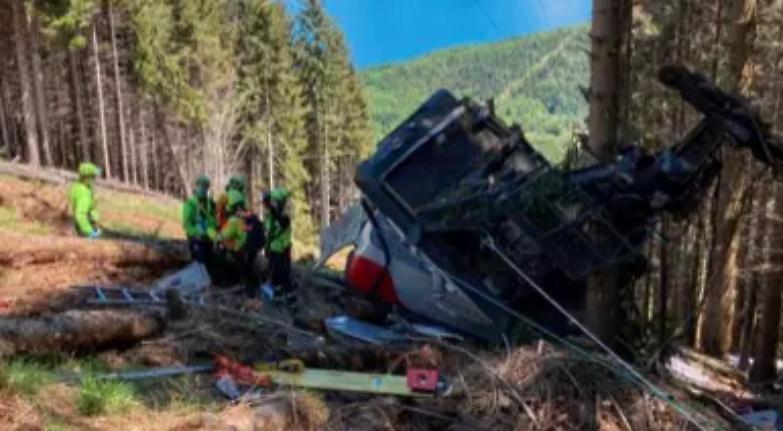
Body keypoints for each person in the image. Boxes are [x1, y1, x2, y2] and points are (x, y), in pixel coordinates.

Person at [262, 187, 293, 302]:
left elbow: (280, 222)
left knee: (284, 275)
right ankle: (278, 295)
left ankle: (290, 299)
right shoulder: (271, 216)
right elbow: (268, 230)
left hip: (282, 249)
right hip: (273, 249)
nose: (272, 204)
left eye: (274, 202)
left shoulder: (284, 216)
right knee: (275, 275)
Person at [182, 175, 217, 264]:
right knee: (199, 264)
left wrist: (213, 230)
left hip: (209, 240)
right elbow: (186, 224)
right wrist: (197, 232)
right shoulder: (190, 203)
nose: (202, 189)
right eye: (200, 186)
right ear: (196, 187)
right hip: (196, 240)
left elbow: (215, 219)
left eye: (205, 186)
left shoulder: (211, 203)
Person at [69, 162, 101, 238]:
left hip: (90, 224)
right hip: (85, 231)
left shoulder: (86, 187)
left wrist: (94, 215)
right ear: (87, 178)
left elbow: (91, 206)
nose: (95, 179)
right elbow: (80, 215)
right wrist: (89, 231)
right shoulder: (82, 193)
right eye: (93, 176)